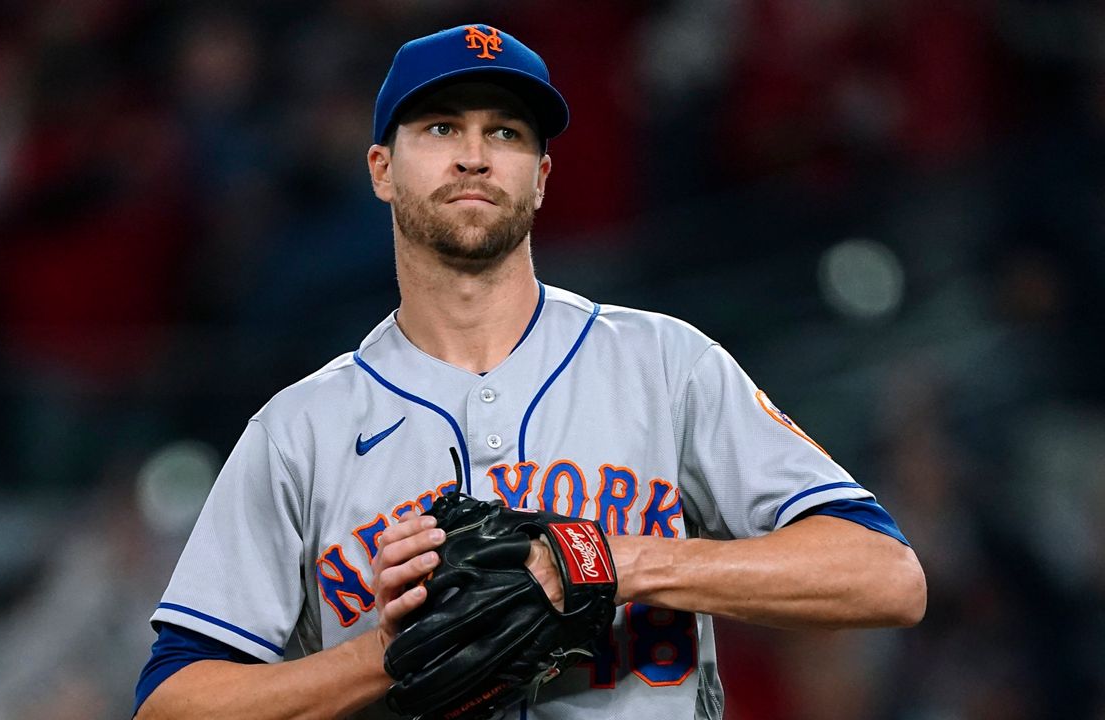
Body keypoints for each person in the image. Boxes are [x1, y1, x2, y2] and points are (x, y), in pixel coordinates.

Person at [133, 24, 926, 720]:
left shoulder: (661, 362)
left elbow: (885, 576)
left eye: (507, 133)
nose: (475, 155)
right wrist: (387, 659)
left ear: (542, 177)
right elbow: (174, 702)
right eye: (442, 127)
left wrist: (618, 561)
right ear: (381, 168)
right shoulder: (299, 431)